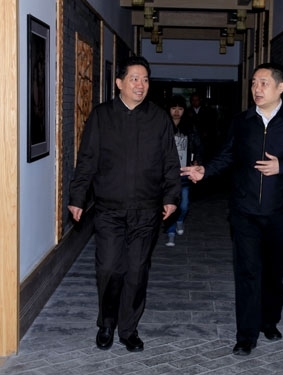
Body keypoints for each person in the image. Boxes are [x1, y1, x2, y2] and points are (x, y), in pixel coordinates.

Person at [181, 63, 283, 356]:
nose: (257, 88)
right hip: (245, 212)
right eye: (255, 83)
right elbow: (227, 155)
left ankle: (269, 321)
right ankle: (245, 335)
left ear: (280, 88)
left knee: (272, 274)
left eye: (264, 83)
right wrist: (205, 170)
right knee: (247, 273)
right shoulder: (242, 122)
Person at [68, 56, 181, 352]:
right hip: (109, 209)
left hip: (146, 210)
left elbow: (170, 161)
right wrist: (78, 197)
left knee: (136, 270)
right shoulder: (101, 116)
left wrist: (171, 197)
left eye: (145, 79)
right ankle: (107, 323)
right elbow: (87, 160)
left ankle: (128, 328)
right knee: (108, 268)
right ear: (119, 83)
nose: (140, 85)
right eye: (134, 79)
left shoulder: (158, 118)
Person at [164, 94, 203, 246]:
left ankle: (180, 220)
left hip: (184, 171)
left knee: (184, 204)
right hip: (168, 173)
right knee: (169, 203)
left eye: (180, 109)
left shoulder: (189, 127)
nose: (176, 112)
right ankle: (171, 233)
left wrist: (197, 160)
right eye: (173, 108)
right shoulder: (164, 126)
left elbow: (198, 146)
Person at [186, 92, 217, 161]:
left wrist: (206, 132)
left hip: (204, 138)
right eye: (193, 100)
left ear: (200, 100)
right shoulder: (187, 111)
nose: (195, 102)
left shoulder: (208, 111)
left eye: (196, 100)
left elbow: (211, 124)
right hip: (191, 137)